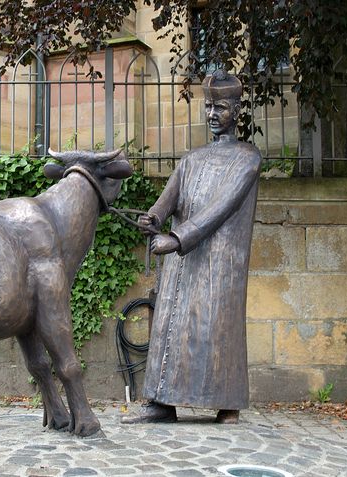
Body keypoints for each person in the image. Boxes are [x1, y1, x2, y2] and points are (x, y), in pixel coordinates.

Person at [122, 70, 261, 425]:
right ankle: (162, 403)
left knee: (218, 328)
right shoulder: (191, 159)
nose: (213, 114)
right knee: (171, 327)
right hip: (182, 262)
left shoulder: (246, 158)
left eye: (221, 108)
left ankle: (226, 401)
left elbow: (221, 207)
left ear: (236, 110)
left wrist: (178, 238)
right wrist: (153, 218)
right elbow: (167, 200)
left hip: (221, 261)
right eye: (209, 107)